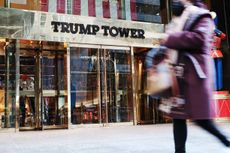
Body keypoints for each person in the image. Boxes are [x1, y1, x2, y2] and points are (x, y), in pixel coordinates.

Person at [160, 0, 230, 153]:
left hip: (195, 74)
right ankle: (180, 151)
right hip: (180, 74)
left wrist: (171, 38)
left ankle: (225, 140)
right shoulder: (180, 18)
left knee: (202, 120)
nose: (178, 2)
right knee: (178, 117)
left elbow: (199, 39)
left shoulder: (202, 16)